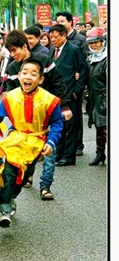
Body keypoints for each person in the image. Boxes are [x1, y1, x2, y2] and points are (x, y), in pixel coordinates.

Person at [0, 59, 64, 228]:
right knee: (9, 173)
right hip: (15, 140)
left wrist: (51, 141)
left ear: (41, 79)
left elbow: (57, 123)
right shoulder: (10, 97)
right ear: (19, 75)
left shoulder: (49, 100)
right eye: (25, 73)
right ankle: (4, 210)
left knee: (24, 176)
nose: (28, 77)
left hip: (36, 142)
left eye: (33, 74)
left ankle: (12, 196)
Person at [3, 29, 71, 199]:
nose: (12, 55)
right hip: (23, 120)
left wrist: (65, 107)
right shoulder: (12, 67)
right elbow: (10, 95)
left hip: (46, 115)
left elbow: (57, 82)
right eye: (10, 52)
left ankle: (45, 186)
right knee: (21, 151)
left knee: (49, 151)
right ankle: (27, 174)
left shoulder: (43, 59)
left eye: (14, 50)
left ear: (24, 46)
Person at [49, 24, 88, 167]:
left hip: (70, 94)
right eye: (51, 37)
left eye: (55, 36)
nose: (52, 39)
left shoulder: (73, 50)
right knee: (59, 124)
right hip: (56, 96)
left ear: (64, 35)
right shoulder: (51, 51)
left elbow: (83, 70)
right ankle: (59, 154)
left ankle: (69, 156)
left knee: (70, 126)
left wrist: (77, 91)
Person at [84, 27, 107, 165]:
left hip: (105, 97)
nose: (93, 45)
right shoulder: (90, 58)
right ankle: (100, 153)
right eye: (91, 43)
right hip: (94, 98)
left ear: (102, 41)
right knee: (99, 128)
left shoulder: (107, 58)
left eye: (96, 42)